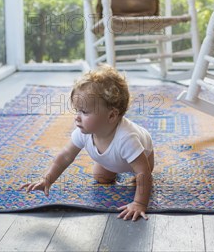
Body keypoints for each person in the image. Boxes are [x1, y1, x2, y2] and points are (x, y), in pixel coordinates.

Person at [25, 66, 154, 221]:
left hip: (144, 156)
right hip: (114, 159)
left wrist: (139, 203)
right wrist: (47, 179)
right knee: (101, 177)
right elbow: (65, 156)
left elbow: (143, 172)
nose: (77, 118)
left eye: (84, 112)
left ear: (111, 115)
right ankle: (114, 167)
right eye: (77, 111)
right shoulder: (83, 132)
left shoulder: (127, 138)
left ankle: (127, 175)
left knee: (141, 178)